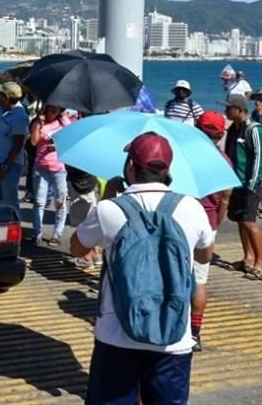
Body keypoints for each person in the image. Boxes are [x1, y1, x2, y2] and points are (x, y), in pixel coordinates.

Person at [70, 132, 213, 404]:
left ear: (131, 167)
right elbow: (205, 255)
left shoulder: (109, 209)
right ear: (168, 169)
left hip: (116, 336)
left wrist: (107, 200)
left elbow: (77, 248)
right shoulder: (192, 207)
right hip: (174, 339)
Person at [191, 110, 230, 351]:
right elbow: (225, 198)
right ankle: (194, 333)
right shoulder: (224, 160)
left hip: (182, 220)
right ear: (220, 134)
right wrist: (216, 222)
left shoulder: (184, 155)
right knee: (199, 280)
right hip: (209, 222)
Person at [221, 94, 262, 279]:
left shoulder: (253, 129)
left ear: (239, 110)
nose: (225, 111)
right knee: (239, 220)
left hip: (251, 184)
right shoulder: (232, 129)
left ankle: (260, 263)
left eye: (228, 108)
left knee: (249, 222)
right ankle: (248, 258)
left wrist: (252, 184)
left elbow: (258, 157)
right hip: (236, 182)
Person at [29, 105, 70, 245]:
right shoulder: (39, 122)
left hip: (59, 168)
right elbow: (33, 142)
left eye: (57, 109)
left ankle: (57, 234)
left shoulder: (64, 121)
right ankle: (37, 233)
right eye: (51, 108)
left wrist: (56, 145)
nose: (54, 111)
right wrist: (37, 125)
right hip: (41, 167)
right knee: (39, 202)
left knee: (60, 202)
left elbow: (70, 139)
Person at [0, 82, 28, 212]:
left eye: (0, 94)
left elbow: (18, 145)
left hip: (10, 166)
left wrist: (5, 167)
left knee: (10, 202)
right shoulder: (2, 109)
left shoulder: (20, 116)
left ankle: (16, 229)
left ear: (5, 97)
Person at [65, 165, 99, 269]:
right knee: (92, 220)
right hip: (90, 183)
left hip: (81, 185)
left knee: (84, 223)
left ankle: (86, 258)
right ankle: (95, 254)